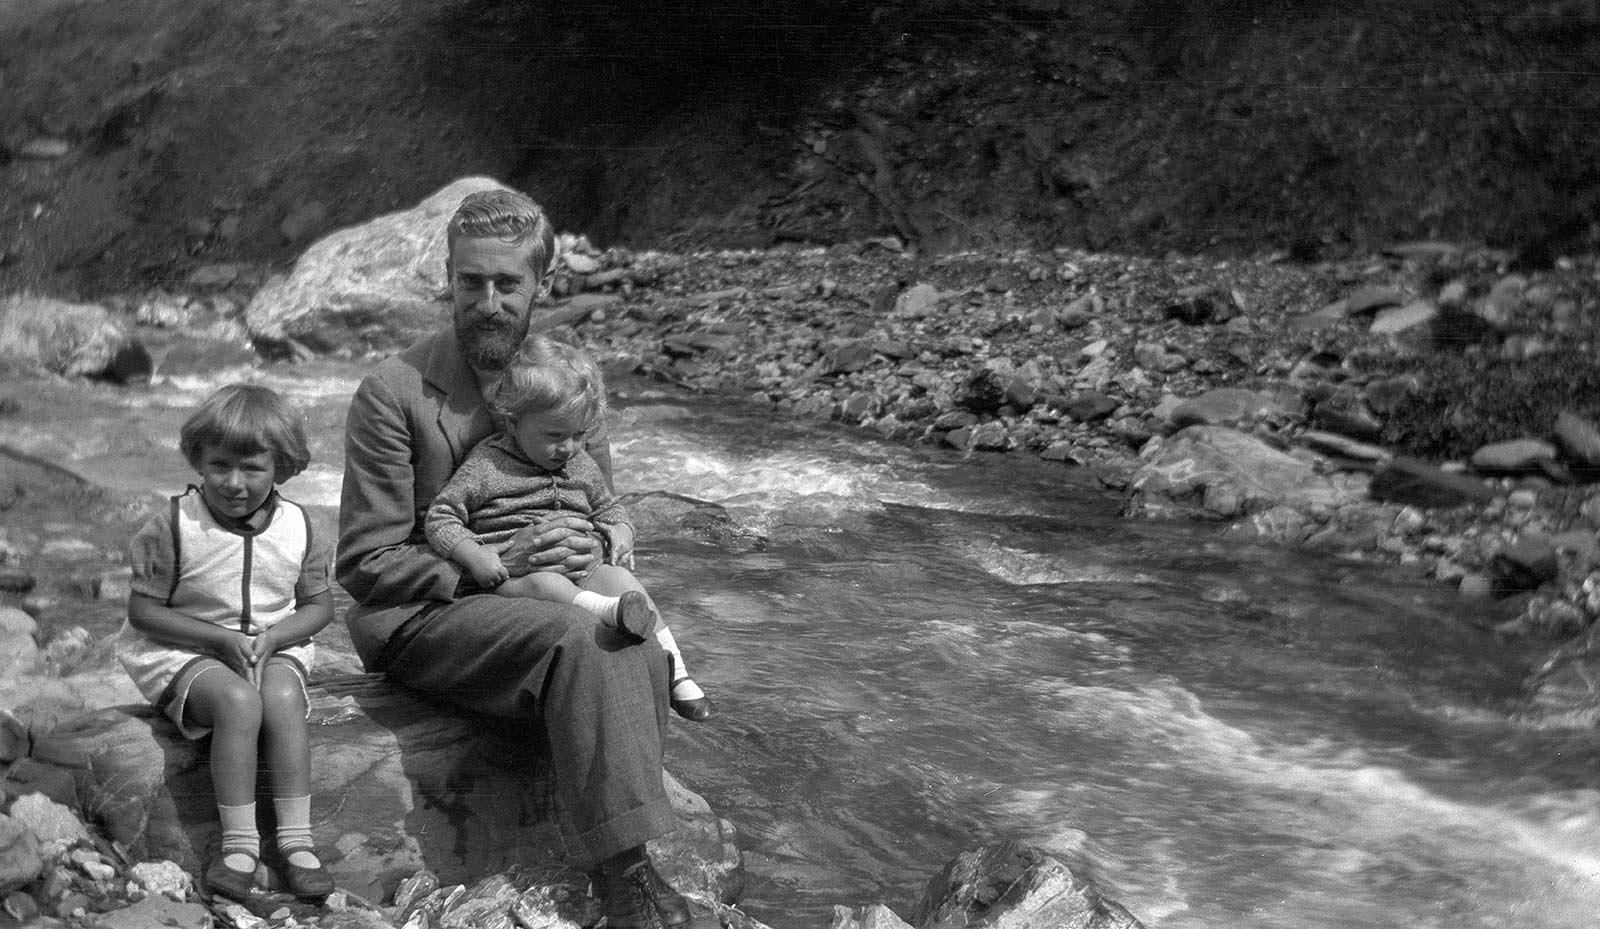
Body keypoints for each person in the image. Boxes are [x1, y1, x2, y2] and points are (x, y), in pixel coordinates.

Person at [336, 187, 716, 928]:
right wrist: (497, 561)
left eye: (507, 283)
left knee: (626, 628)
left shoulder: (567, 385)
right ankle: (626, 883)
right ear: (447, 277)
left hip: (554, 593)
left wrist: (596, 541)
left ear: (539, 285)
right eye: (470, 280)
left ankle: (631, 866)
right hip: (429, 611)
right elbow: (365, 561)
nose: (487, 300)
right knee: (585, 634)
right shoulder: (394, 391)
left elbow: (603, 501)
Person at [116, 384, 335, 905]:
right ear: (198, 460)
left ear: (281, 465)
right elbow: (143, 612)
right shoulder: (173, 524)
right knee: (239, 702)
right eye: (219, 466)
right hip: (182, 646)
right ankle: (239, 845)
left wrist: (277, 636)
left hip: (270, 643)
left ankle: (297, 840)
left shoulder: (302, 527)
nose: (234, 483)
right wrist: (219, 638)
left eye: (252, 468)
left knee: (281, 699)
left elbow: (319, 608)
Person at [422, 333, 714, 721]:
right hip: (516, 576)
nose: (569, 448)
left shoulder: (579, 465)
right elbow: (442, 516)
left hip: (581, 571)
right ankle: (611, 614)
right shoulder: (487, 466)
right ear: (513, 421)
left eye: (579, 435)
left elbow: (609, 508)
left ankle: (676, 672)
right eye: (555, 436)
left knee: (625, 583)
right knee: (546, 584)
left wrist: (621, 532)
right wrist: (475, 555)